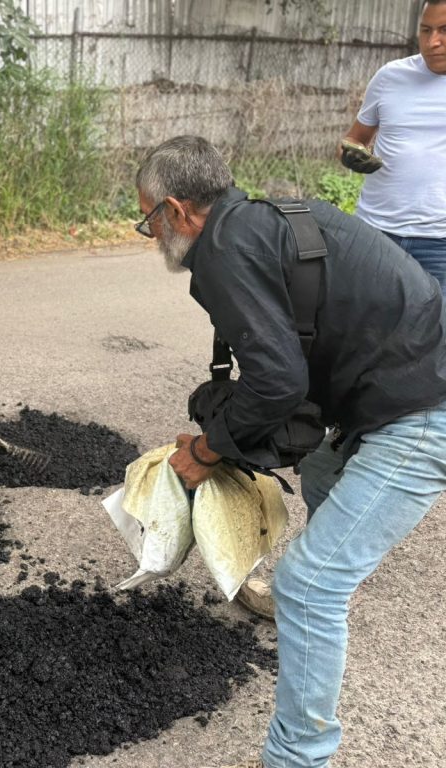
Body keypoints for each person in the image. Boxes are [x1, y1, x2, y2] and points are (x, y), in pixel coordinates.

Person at [133, 135, 446, 768]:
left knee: (307, 585)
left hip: (424, 407)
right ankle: (327, 584)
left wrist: (208, 451)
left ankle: (297, 756)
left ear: (177, 210)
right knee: (325, 468)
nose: (151, 235)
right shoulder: (260, 220)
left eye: (149, 221)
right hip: (402, 380)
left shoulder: (225, 251)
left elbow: (277, 382)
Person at [339, 0, 446, 291]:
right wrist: (351, 154)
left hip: (440, 245)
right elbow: (354, 138)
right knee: (363, 316)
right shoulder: (390, 76)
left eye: (444, 30)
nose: (432, 42)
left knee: (437, 320)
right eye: (426, 30)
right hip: (375, 232)